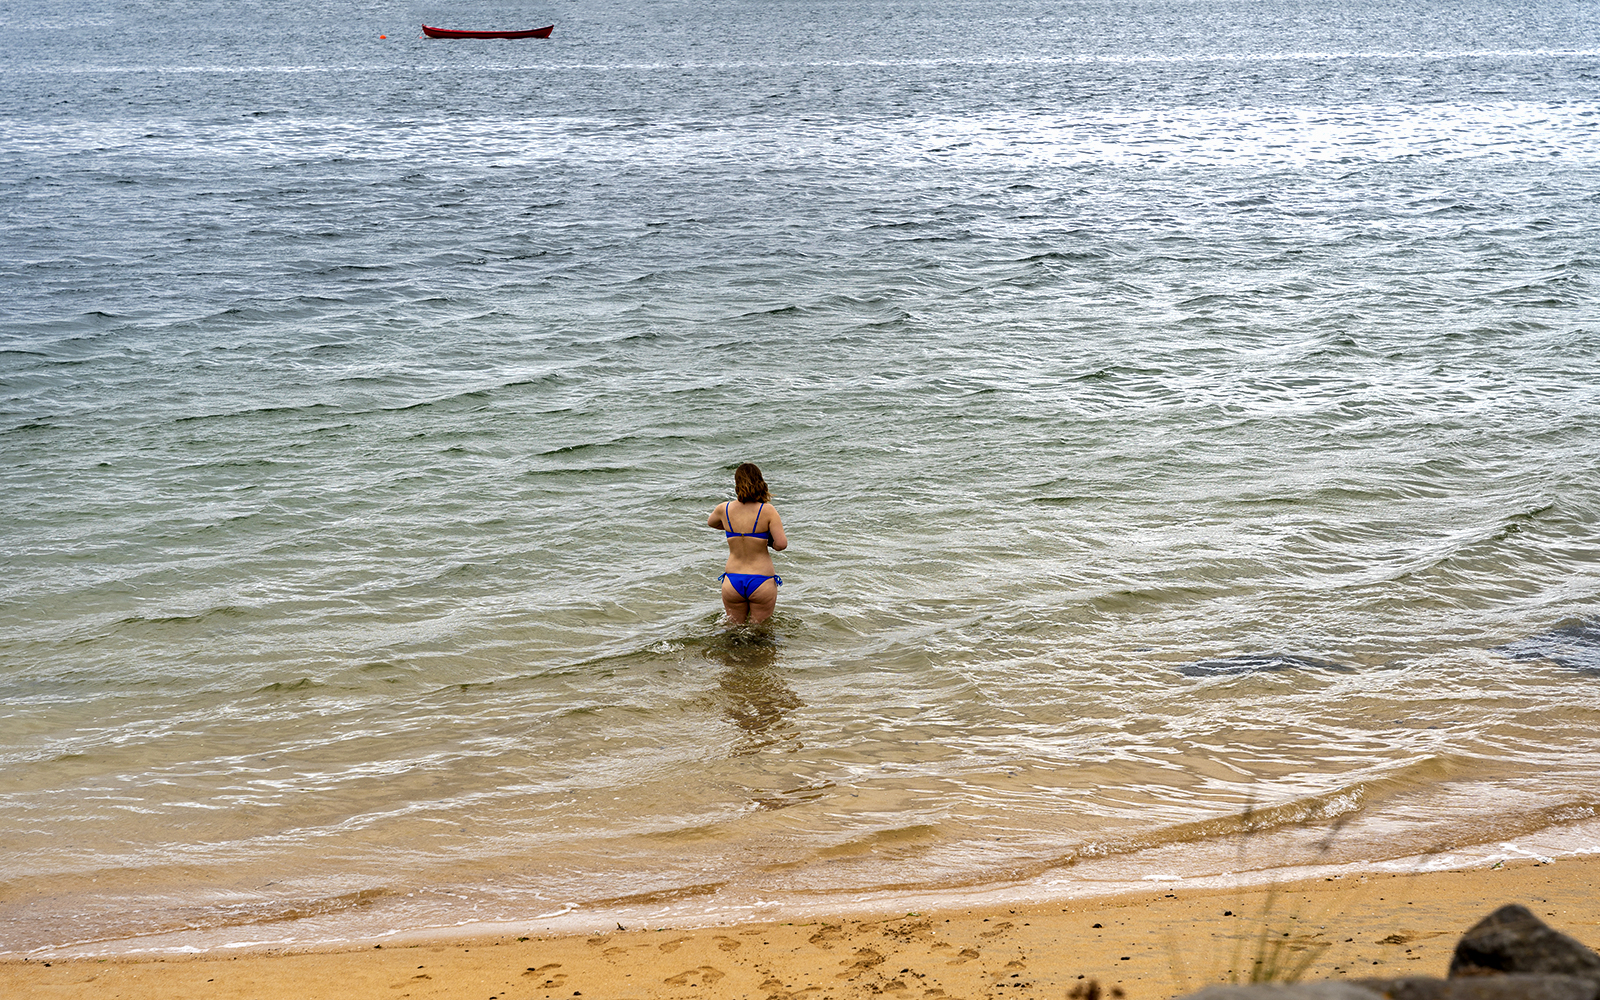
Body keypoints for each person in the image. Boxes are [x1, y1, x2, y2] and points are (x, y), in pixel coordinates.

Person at [707, 463, 788, 624]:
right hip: (761, 580)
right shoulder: (767, 510)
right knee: (760, 633)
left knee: (733, 630)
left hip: (732, 580)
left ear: (737, 484)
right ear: (760, 482)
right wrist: (766, 538)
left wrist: (733, 529)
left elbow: (711, 523)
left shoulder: (724, 509)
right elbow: (781, 544)